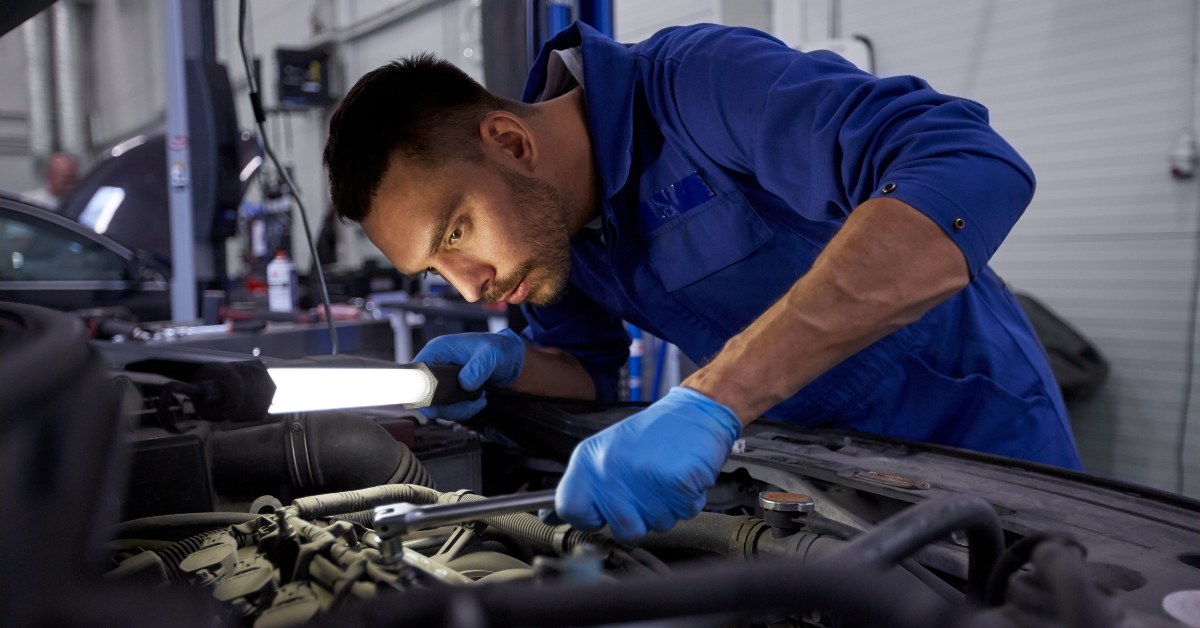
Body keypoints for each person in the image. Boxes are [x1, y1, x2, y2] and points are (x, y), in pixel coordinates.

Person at [323, 22, 1084, 539]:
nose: (467, 284)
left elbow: (968, 166)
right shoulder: (552, 239)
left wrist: (715, 400)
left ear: (510, 141)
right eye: (435, 266)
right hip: (817, 483)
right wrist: (515, 365)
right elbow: (590, 370)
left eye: (455, 232)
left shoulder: (701, 86)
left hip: (984, 448)